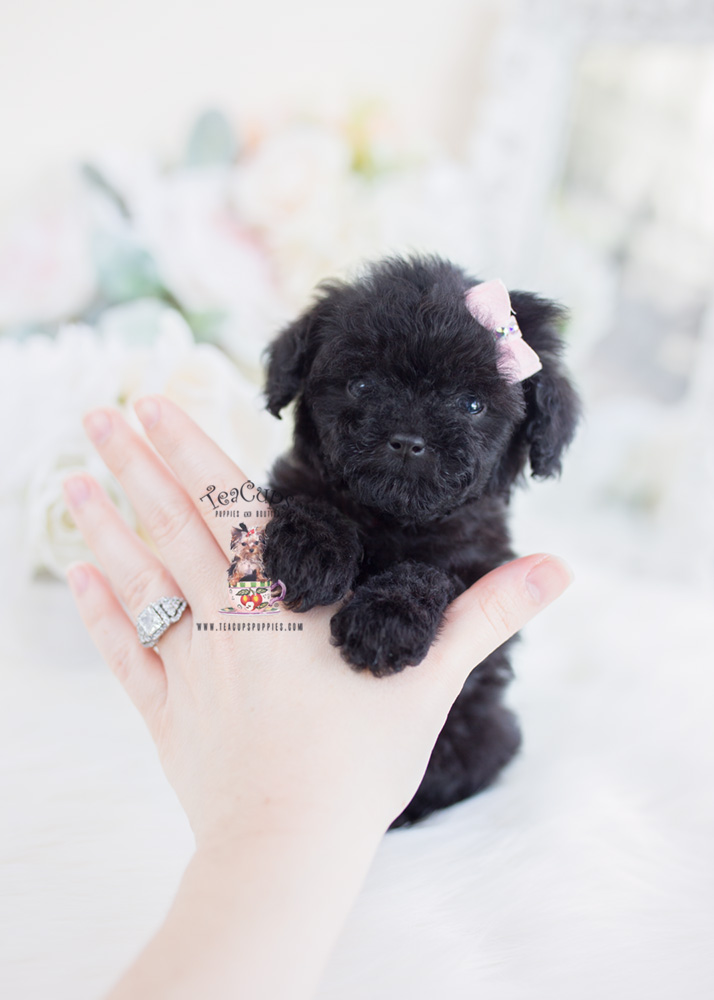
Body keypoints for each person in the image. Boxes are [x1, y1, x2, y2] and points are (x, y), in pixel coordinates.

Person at [62, 394, 573, 1000]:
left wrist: (417, 595)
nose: (410, 434)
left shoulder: (468, 539)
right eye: (362, 388)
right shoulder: (300, 491)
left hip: (445, 774)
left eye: (469, 403)